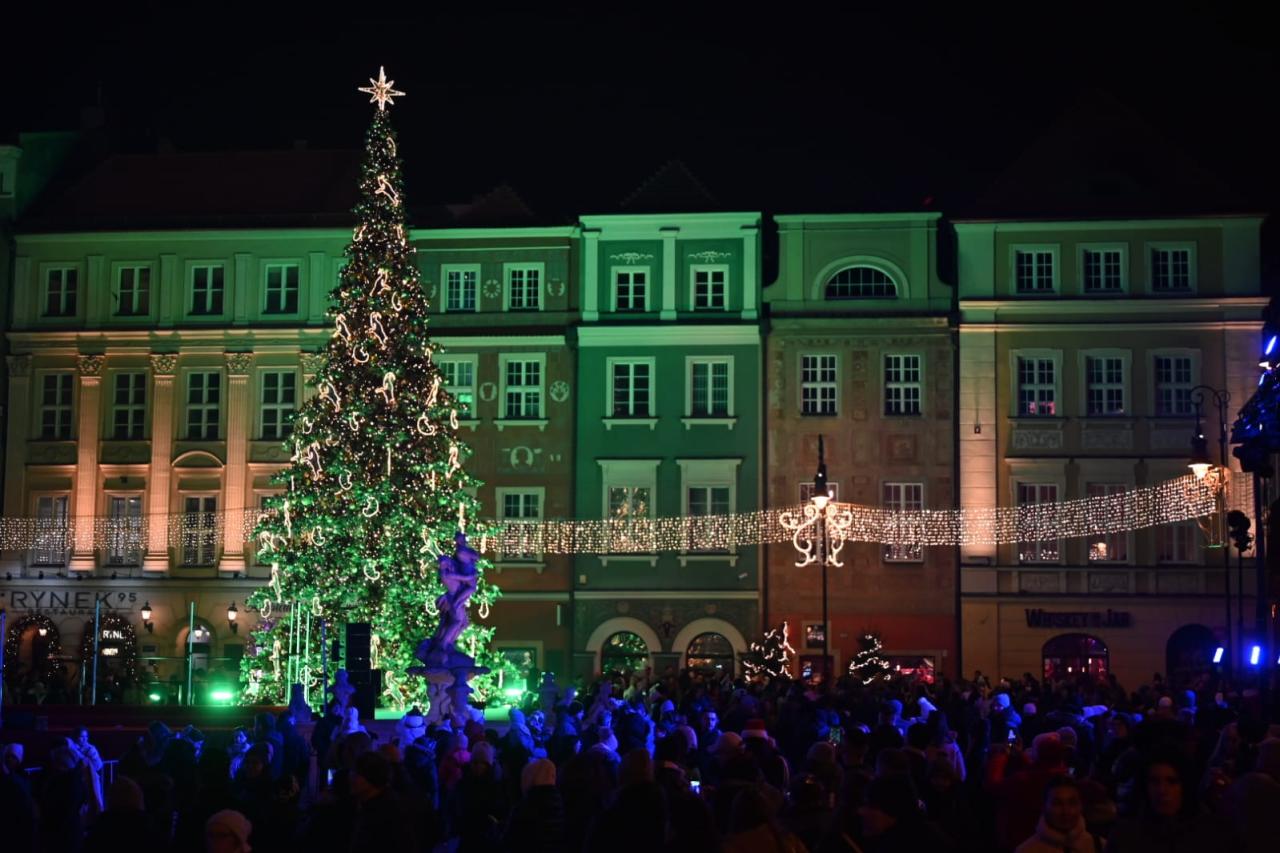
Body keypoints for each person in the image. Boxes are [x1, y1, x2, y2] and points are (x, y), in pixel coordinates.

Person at [1106, 753, 1232, 852]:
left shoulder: (1209, 837)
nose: (1162, 790)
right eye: (1154, 781)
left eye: (1172, 781)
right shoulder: (1125, 836)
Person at [1014, 776, 1098, 853]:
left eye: (1072, 803)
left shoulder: (1099, 846)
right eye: (1057, 803)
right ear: (1044, 807)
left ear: (1081, 806)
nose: (1066, 811)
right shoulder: (1026, 850)